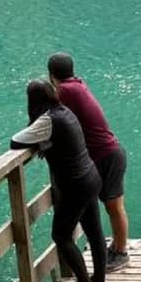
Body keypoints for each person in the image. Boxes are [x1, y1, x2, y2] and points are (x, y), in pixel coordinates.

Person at [10, 80, 108, 282]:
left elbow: (16, 141)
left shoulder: (48, 120)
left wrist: (39, 140)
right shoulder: (65, 111)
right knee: (95, 232)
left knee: (61, 236)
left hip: (76, 185)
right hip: (91, 177)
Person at [47, 52, 131, 271]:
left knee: (114, 206)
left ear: (51, 75)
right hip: (109, 153)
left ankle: (121, 253)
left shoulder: (65, 91)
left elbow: (50, 118)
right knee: (112, 206)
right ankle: (115, 248)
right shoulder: (76, 85)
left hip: (107, 155)